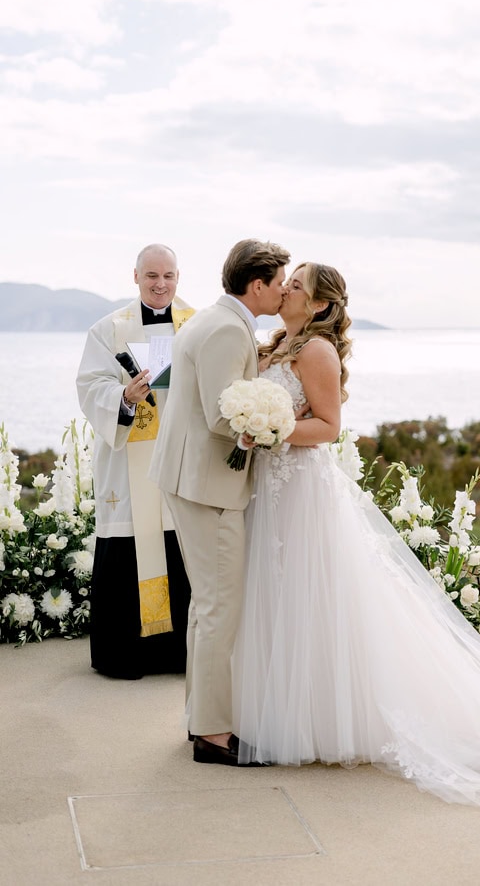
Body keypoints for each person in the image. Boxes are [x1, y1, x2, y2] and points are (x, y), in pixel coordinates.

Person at [232, 261, 480, 807]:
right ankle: (277, 710)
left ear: (320, 306)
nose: (285, 287)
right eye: (287, 281)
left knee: (314, 598)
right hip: (269, 488)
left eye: (297, 285)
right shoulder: (271, 344)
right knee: (277, 596)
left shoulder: (316, 351)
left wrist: (271, 430)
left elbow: (328, 428)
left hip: (302, 491)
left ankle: (321, 721)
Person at [149, 238, 290, 765]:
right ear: (258, 285)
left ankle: (200, 719)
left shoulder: (214, 319)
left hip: (191, 479)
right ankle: (213, 734)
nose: (281, 291)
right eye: (279, 282)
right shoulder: (229, 330)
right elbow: (219, 416)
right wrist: (268, 430)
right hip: (207, 487)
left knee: (206, 605)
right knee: (219, 607)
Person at [76, 244, 194, 679]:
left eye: (168, 276)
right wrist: (124, 397)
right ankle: (125, 655)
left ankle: (180, 654)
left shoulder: (197, 325)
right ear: (136, 276)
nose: (160, 284)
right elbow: (90, 385)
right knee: (130, 545)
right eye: (151, 276)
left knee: (178, 543)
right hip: (130, 461)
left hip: (181, 455)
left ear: (178, 276)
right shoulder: (108, 329)